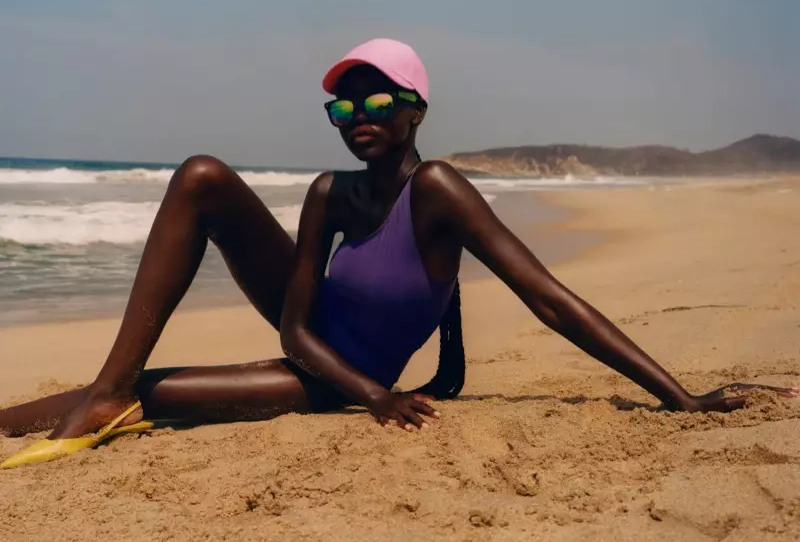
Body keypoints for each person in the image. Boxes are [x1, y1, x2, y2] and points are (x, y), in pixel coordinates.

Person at [2, 38, 796, 469]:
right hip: (315, 350)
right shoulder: (328, 193)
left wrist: (680, 399)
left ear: (416, 112)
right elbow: (294, 331)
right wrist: (374, 393)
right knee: (203, 177)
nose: (359, 115)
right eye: (344, 103)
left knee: (159, 392)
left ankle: (107, 395)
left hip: (337, 378)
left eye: (379, 100)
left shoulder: (441, 189)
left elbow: (550, 299)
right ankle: (103, 394)